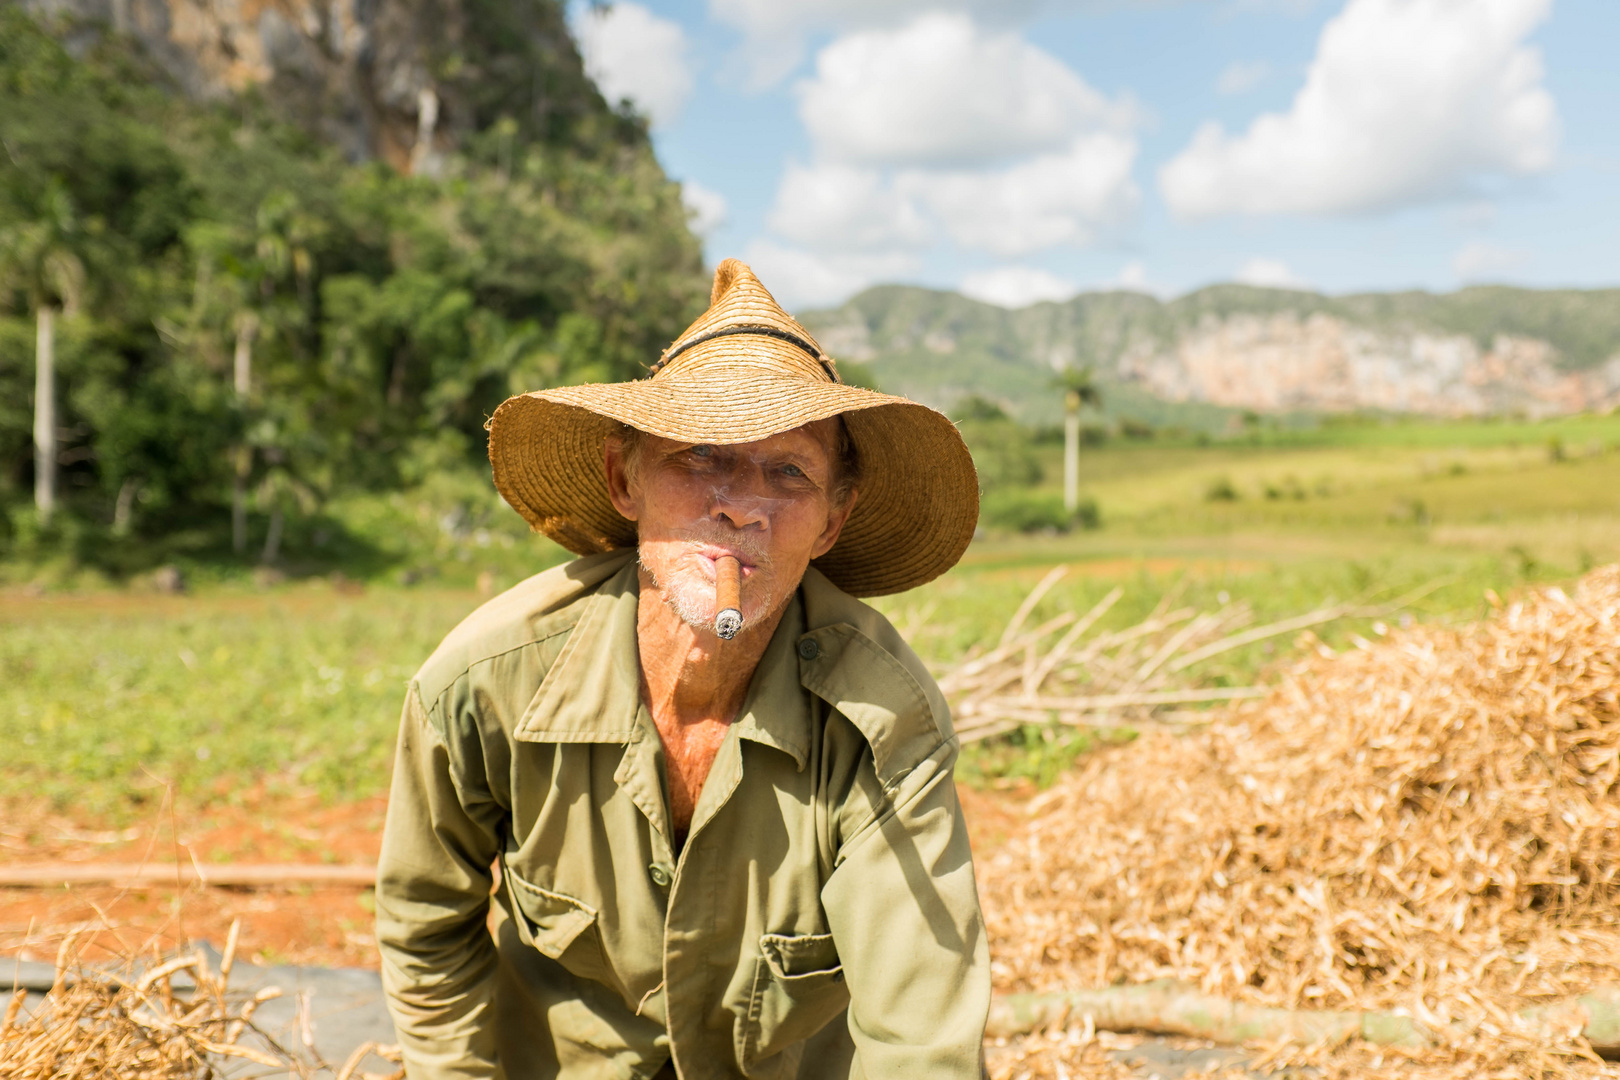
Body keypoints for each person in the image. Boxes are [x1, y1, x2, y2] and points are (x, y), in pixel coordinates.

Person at [375, 259, 988, 1079]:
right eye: (700, 455)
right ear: (622, 479)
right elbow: (426, 926)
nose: (740, 503)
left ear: (833, 521)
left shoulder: (881, 722)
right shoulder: (485, 684)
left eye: (788, 471)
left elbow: (920, 1038)